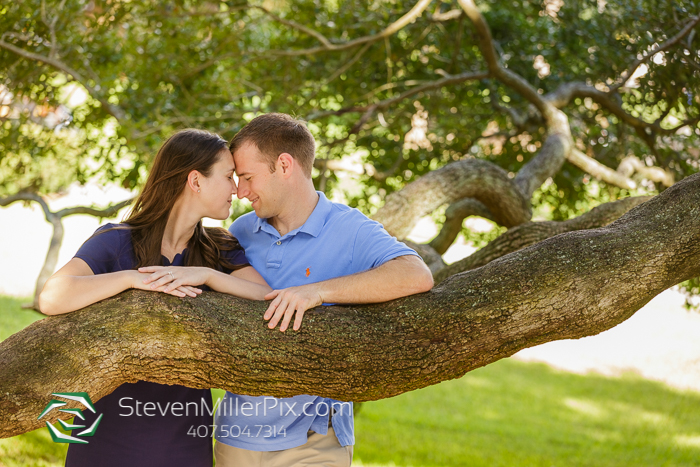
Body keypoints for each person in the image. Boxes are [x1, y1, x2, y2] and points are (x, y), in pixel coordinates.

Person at [38, 129, 272, 467]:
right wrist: (133, 279)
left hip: (184, 435)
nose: (237, 189)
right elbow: (52, 296)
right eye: (228, 177)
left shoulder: (220, 248)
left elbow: (267, 296)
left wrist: (207, 276)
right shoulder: (117, 241)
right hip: (108, 432)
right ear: (196, 181)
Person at [214, 113, 434, 466]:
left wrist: (316, 291)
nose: (240, 191)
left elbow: (415, 275)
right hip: (238, 436)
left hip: (316, 441)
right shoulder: (241, 231)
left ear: (284, 165)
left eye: (248, 177)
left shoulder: (350, 229)